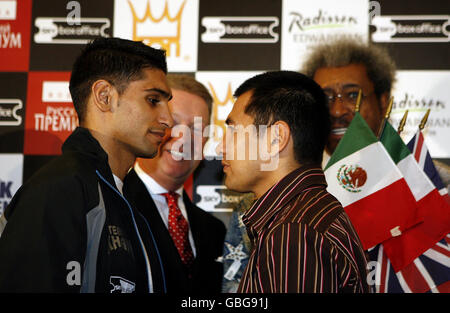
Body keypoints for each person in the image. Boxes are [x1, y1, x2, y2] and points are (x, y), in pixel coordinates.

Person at [0, 37, 174, 293]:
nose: (168, 118)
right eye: (153, 100)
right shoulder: (61, 189)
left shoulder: (130, 196)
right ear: (104, 97)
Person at [216, 70, 370, 293]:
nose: (221, 147)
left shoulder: (293, 233)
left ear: (276, 139)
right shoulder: (305, 217)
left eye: (233, 131)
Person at [123, 74, 226, 294]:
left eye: (196, 128)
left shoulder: (214, 231)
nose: (183, 137)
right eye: (174, 122)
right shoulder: (110, 206)